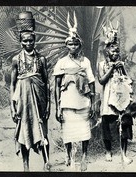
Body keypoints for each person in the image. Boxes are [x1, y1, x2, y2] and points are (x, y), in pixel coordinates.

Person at [53, 12, 95, 172]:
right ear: (66, 45)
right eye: (70, 44)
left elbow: (91, 83)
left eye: (76, 44)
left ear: (80, 45)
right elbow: (56, 86)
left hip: (83, 101)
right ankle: (70, 156)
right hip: (67, 102)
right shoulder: (61, 63)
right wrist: (57, 107)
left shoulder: (86, 62)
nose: (73, 47)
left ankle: (84, 157)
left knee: (84, 131)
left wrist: (92, 103)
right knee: (68, 133)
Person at [10, 11, 50, 172]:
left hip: (40, 102)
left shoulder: (41, 59)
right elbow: (12, 85)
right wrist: (12, 108)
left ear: (35, 41)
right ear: (21, 42)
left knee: (42, 132)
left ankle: (46, 163)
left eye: (31, 40)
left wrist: (48, 107)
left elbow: (47, 83)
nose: (28, 43)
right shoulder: (16, 60)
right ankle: (26, 166)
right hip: (22, 102)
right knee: (24, 131)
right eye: (25, 41)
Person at [97, 23, 133, 165]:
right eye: (113, 51)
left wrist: (122, 69)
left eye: (117, 51)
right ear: (107, 52)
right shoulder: (102, 64)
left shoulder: (121, 63)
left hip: (121, 97)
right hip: (108, 98)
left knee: (124, 124)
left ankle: (124, 153)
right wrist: (111, 69)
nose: (115, 54)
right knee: (107, 125)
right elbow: (101, 80)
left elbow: (128, 80)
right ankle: (108, 151)